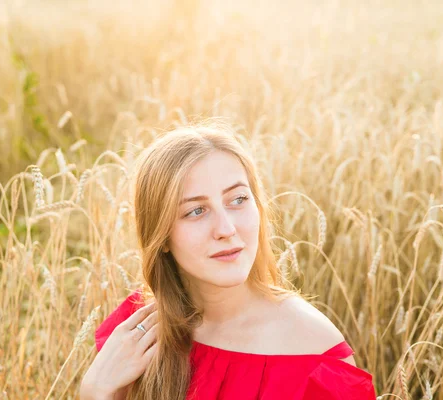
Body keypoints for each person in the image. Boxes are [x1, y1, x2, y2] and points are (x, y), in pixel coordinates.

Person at [80, 120, 376, 400]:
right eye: (196, 211)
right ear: (162, 236)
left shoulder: (313, 353)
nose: (226, 229)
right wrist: (95, 392)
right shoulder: (140, 332)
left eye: (238, 200)